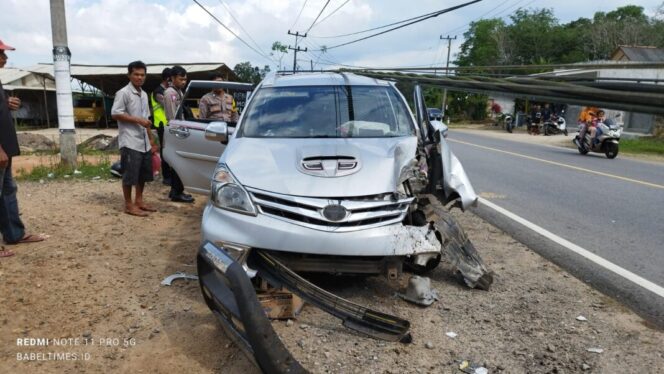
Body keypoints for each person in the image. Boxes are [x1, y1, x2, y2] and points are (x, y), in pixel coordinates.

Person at [0, 39, 47, 256]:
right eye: (1, 53)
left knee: (8, 190)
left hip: (6, 149)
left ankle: (14, 234)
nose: (5, 58)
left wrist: (7, 104)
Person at [111, 60, 158, 217]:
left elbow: (147, 119)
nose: (139, 77)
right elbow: (115, 113)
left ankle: (139, 201)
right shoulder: (123, 93)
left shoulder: (144, 94)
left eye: (142, 75)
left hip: (143, 141)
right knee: (129, 175)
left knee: (142, 174)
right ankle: (128, 205)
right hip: (130, 140)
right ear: (129, 75)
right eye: (136, 74)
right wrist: (137, 120)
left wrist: (151, 139)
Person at [163, 65, 194, 203]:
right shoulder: (170, 93)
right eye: (181, 79)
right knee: (177, 162)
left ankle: (176, 190)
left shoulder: (179, 91)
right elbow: (172, 116)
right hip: (176, 131)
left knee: (180, 162)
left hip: (181, 130)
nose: (183, 82)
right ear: (173, 78)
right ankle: (176, 192)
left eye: (185, 79)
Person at [150, 67, 173, 185]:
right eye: (172, 78)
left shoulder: (169, 91)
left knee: (171, 150)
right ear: (168, 78)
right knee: (165, 151)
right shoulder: (158, 92)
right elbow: (169, 106)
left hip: (170, 125)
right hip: (162, 125)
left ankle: (172, 175)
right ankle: (167, 176)